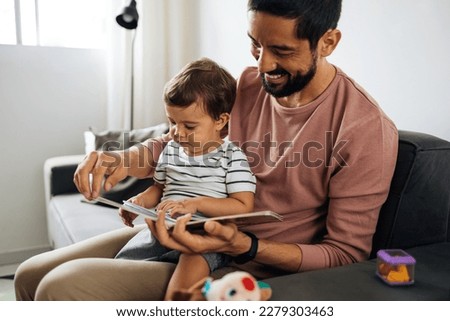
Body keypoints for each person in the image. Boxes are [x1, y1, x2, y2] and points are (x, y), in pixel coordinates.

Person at [15, 0, 398, 301]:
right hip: (183, 228)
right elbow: (180, 143)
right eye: (255, 43)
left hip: (246, 260)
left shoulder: (364, 129)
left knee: (59, 289)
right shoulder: (249, 84)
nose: (262, 64)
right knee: (29, 275)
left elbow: (345, 255)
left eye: (280, 50)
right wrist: (123, 159)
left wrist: (243, 245)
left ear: (328, 42)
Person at [114, 57, 256, 300]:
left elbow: (243, 205)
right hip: (160, 231)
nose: (177, 133)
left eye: (189, 126)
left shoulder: (232, 156)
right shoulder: (171, 149)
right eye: (172, 122)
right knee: (118, 268)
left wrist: (196, 204)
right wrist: (139, 203)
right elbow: (159, 188)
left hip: (204, 239)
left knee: (183, 286)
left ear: (220, 121)